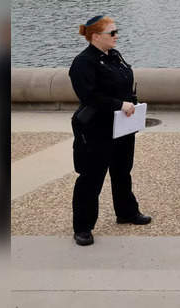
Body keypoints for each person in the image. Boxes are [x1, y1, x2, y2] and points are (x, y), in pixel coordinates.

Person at [68, 15, 151, 247]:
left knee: (122, 171)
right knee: (91, 177)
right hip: (95, 128)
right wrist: (118, 104)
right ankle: (83, 227)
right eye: (112, 33)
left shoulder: (114, 57)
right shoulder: (83, 62)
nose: (116, 36)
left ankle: (126, 212)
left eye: (116, 32)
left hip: (122, 126)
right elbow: (89, 96)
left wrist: (130, 104)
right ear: (95, 37)